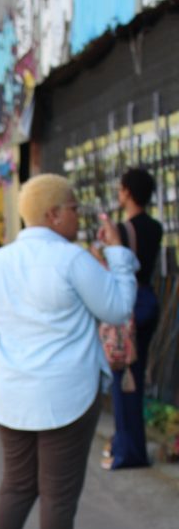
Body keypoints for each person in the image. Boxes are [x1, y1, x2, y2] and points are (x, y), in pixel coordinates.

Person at [0, 174, 137, 529]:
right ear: (53, 213)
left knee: (16, 486)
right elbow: (117, 308)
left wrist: (16, 345)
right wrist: (118, 254)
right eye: (74, 209)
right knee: (58, 495)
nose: (78, 217)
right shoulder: (72, 260)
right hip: (67, 393)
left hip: (11, 395)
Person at [102, 167, 163, 470]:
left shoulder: (122, 230)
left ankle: (128, 450)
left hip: (129, 304)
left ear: (126, 191)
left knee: (123, 376)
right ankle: (130, 446)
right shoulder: (155, 226)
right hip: (149, 299)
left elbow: (114, 266)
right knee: (134, 375)